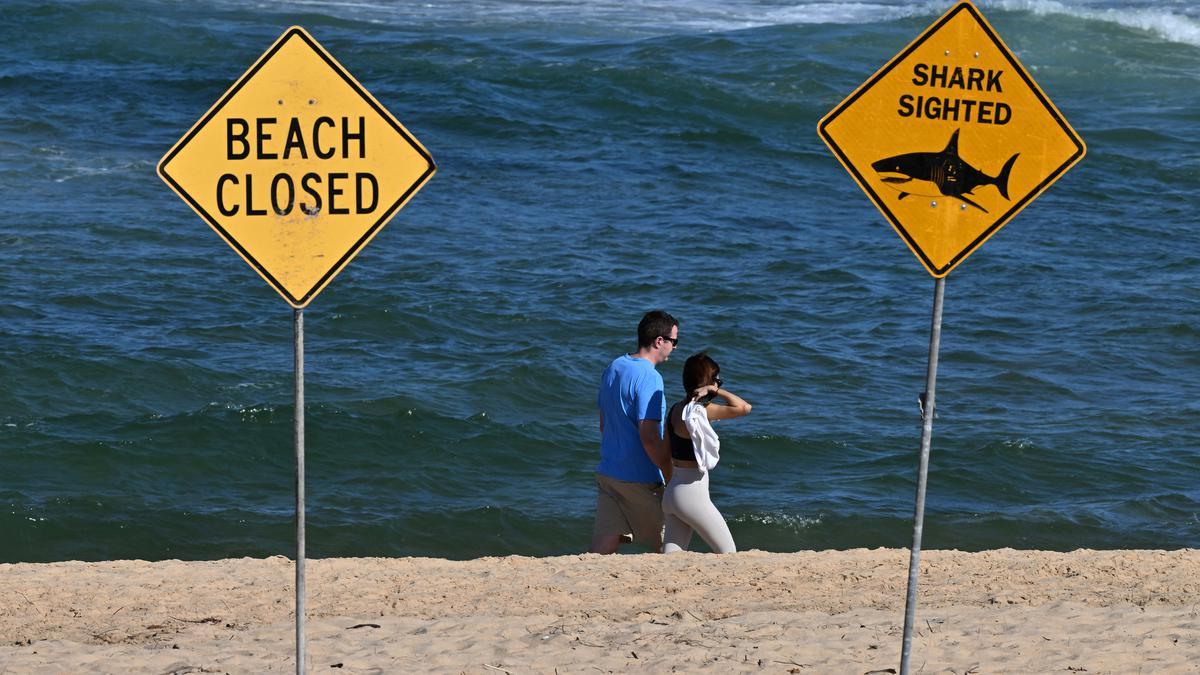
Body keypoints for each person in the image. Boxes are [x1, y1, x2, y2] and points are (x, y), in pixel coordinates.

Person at [590, 310, 679, 554]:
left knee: (604, 544)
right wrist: (669, 474)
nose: (675, 348)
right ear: (659, 341)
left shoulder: (614, 367)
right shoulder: (650, 378)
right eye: (674, 341)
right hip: (639, 479)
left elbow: (603, 424)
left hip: (609, 471)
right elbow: (649, 437)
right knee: (670, 541)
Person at [661, 352, 751, 554]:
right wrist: (715, 391)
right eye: (717, 380)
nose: (718, 384)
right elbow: (745, 407)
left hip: (673, 491)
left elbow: (664, 451)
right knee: (729, 553)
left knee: (670, 560)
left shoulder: (676, 409)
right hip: (692, 494)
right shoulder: (702, 411)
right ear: (706, 382)